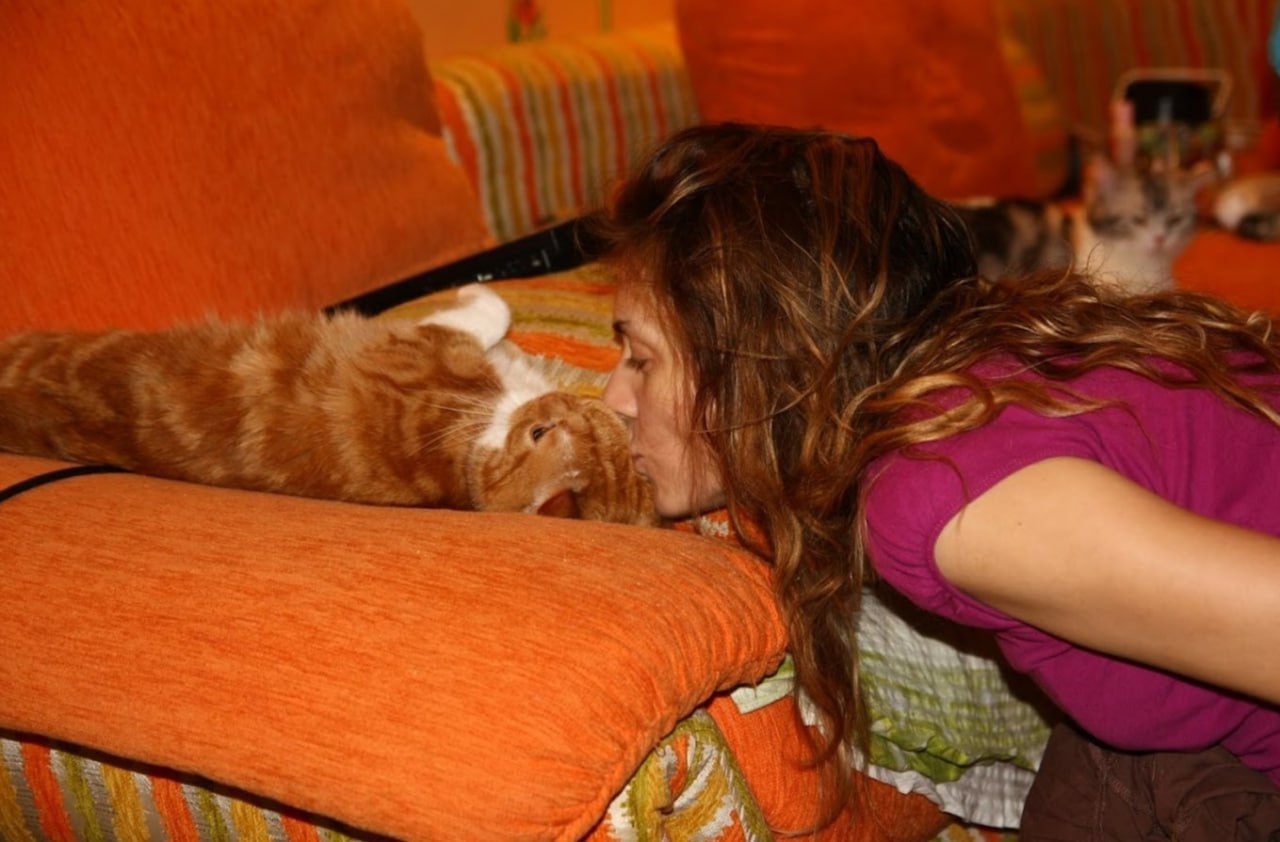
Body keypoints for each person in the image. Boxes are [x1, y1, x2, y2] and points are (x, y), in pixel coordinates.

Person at [595, 123, 1280, 809]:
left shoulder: (944, 488)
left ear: (759, 364)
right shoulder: (991, 367)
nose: (613, 398)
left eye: (643, 359)